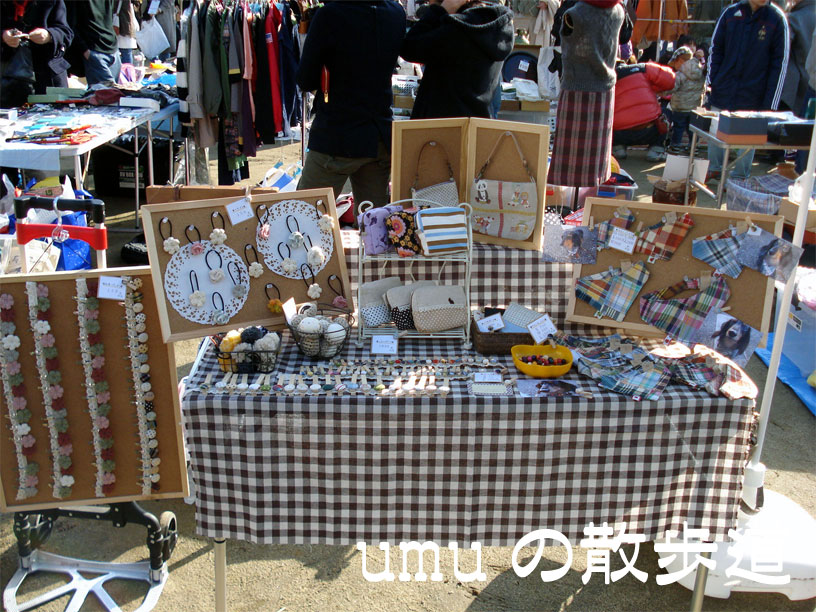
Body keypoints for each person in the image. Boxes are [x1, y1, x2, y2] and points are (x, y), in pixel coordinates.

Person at [296, 0, 406, 207]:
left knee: (304, 215)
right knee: (374, 221)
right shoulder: (396, 12)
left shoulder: (330, 14)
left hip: (336, 133)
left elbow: (306, 79)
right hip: (378, 134)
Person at [706, 0, 790, 182]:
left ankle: (739, 178)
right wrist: (713, 82)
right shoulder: (730, 13)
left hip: (755, 94)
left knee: (748, 140)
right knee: (716, 132)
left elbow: (780, 64)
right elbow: (716, 49)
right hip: (723, 88)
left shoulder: (776, 18)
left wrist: (770, 105)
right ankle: (714, 170)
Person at [400, 0, 514, 119]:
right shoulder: (497, 26)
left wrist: (439, 11)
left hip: (440, 123)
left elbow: (409, 48)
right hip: (477, 121)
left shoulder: (457, 28)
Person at [0, 0, 72, 107]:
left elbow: (66, 33)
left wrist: (48, 35)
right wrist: (3, 35)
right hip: (8, 81)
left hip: (48, 78)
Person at [611, 60, 676, 162]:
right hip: (649, 130)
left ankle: (617, 148)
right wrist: (655, 87)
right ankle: (656, 149)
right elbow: (670, 79)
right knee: (665, 114)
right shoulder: (643, 69)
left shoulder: (607, 76)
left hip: (619, 132)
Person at [781, 0, 814, 174]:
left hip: (806, 84)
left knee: (806, 138)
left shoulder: (794, 18)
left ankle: (801, 172)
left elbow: (782, 49)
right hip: (808, 81)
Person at [66, 0, 121, 85]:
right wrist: (84, 49)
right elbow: (69, 25)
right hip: (96, 51)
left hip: (110, 50)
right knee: (107, 92)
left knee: (112, 92)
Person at [667, 46, 705, 151]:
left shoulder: (679, 74)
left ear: (679, 60)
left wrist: (663, 91)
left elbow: (672, 88)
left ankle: (676, 144)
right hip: (695, 107)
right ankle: (693, 147)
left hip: (680, 106)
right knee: (692, 129)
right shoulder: (700, 71)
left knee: (678, 127)